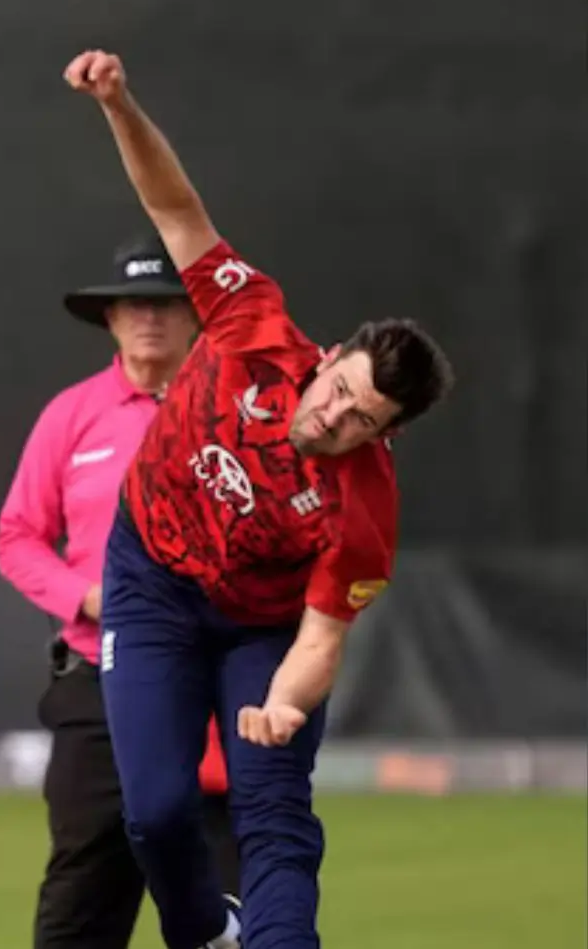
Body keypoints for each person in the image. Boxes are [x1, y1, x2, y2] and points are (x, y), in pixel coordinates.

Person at [63, 48, 455, 949]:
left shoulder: (363, 507)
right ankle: (207, 934)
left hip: (264, 630)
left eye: (360, 419)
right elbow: (175, 210)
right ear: (330, 357)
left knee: (272, 811)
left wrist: (284, 702)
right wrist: (118, 104)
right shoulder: (255, 323)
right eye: (338, 389)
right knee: (156, 811)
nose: (332, 417)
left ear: (386, 432)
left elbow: (321, 640)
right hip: (153, 579)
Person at [0, 236, 242, 949]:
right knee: (83, 898)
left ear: (195, 317)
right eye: (134, 304)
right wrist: (86, 596)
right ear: (110, 318)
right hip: (97, 679)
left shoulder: (233, 412)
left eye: (166, 304)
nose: (150, 318)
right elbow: (18, 536)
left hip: (212, 677)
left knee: (228, 893)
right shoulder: (72, 415)